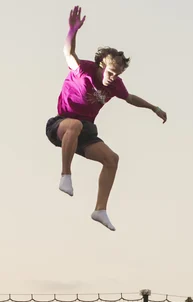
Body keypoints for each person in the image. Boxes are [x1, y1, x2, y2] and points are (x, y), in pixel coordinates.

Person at [45, 5, 166, 231]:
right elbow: (68, 53)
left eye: (117, 75)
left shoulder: (116, 85)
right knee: (76, 125)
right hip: (60, 125)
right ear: (102, 65)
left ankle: (100, 209)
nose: (112, 78)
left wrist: (153, 108)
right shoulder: (84, 70)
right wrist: (72, 31)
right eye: (110, 73)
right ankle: (65, 175)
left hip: (84, 132)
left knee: (112, 159)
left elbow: (130, 98)